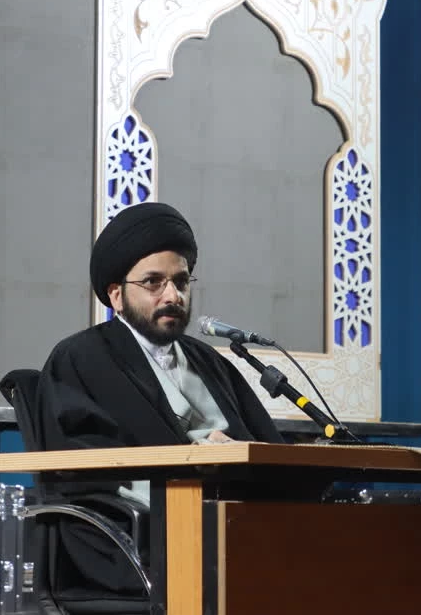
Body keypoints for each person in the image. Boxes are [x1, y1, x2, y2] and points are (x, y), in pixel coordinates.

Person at [37, 202, 284, 596]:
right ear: (116, 295)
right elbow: (83, 468)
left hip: (238, 527)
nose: (173, 295)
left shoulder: (209, 360)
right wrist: (197, 458)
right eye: (153, 282)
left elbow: (263, 445)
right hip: (140, 539)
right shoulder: (81, 359)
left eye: (181, 282)